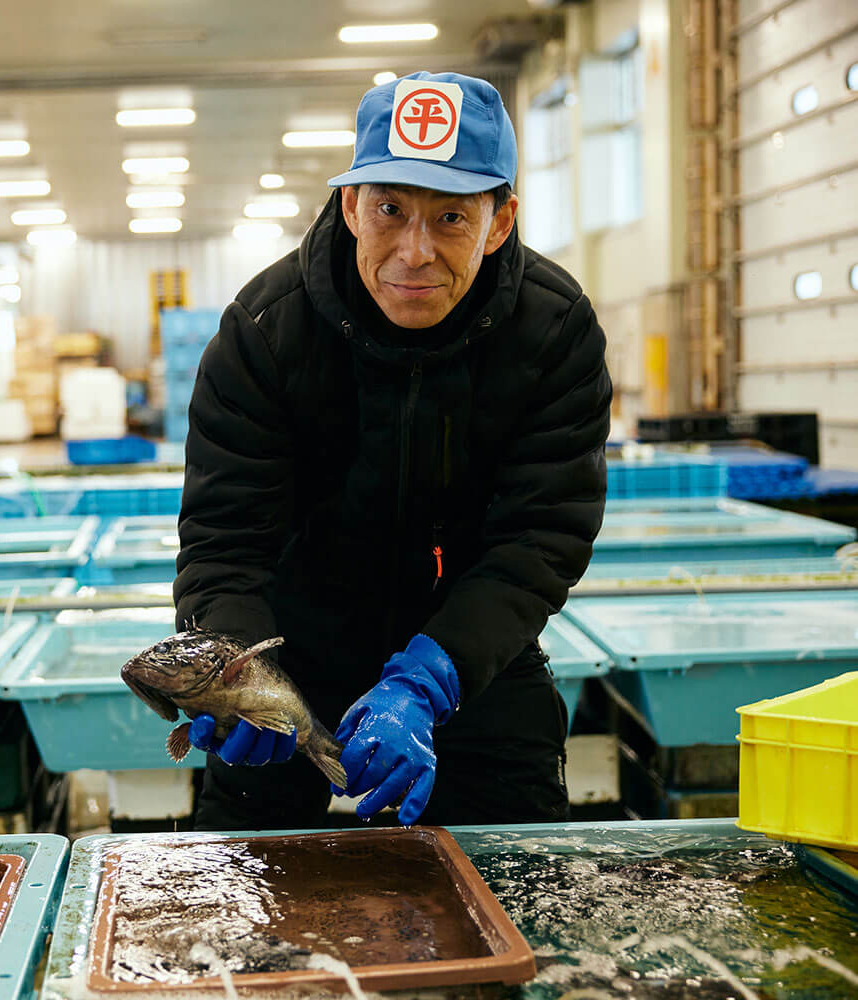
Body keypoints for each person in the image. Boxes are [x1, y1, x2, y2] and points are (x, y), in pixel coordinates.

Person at [172, 71, 612, 831]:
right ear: (350, 206)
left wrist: (428, 678)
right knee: (247, 926)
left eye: (450, 217)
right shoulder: (264, 333)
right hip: (289, 664)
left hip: (471, 665)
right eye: (388, 209)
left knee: (523, 901)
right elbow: (224, 542)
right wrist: (237, 666)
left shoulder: (554, 331)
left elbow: (541, 539)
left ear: (499, 222)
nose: (414, 251)